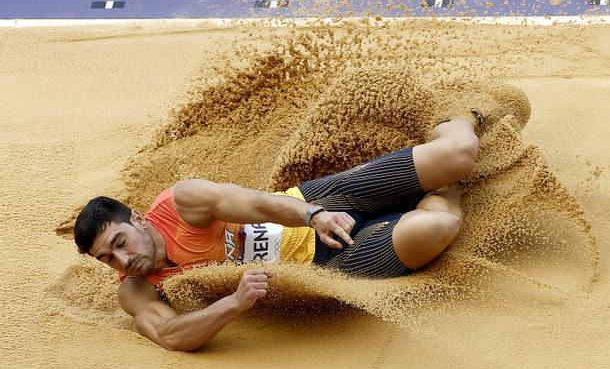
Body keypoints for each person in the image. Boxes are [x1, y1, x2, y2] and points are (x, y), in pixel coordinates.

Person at [74, 114, 484, 351]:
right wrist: (234, 303)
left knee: (458, 153)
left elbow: (258, 203)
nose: (123, 261)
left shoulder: (184, 202)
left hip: (319, 202)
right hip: (330, 264)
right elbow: (169, 334)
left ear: (140, 220)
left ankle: (464, 115)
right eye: (107, 259)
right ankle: (449, 193)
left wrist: (315, 215)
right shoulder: (135, 289)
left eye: (120, 243)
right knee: (438, 225)